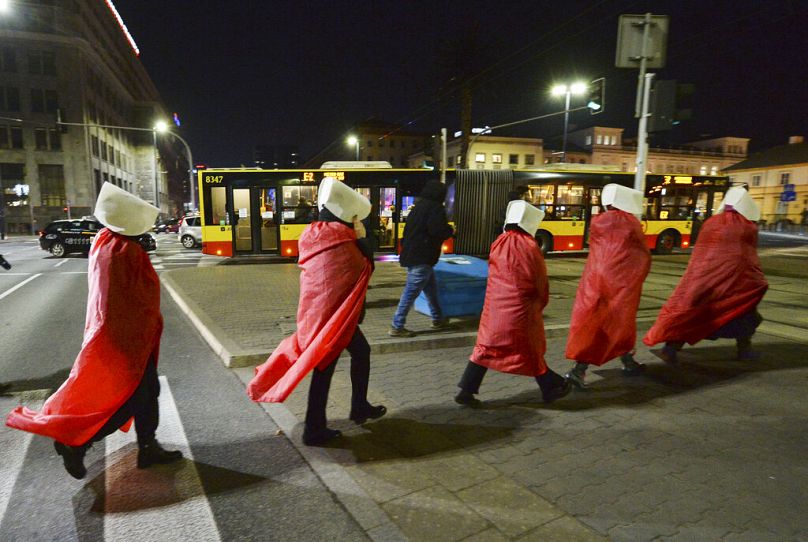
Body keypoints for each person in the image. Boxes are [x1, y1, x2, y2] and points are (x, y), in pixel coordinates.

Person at [5, 183, 182, 479]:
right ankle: (77, 443)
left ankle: (147, 447)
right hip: (126, 341)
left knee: (148, 391)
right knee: (130, 399)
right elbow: (133, 301)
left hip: (115, 335)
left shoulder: (104, 240)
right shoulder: (126, 250)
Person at [248, 177, 386, 446]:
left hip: (321, 314)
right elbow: (365, 268)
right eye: (356, 218)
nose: (359, 222)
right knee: (325, 366)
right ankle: (314, 428)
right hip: (332, 319)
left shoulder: (315, 234)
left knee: (357, 353)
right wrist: (362, 240)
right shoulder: (344, 242)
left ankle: (358, 406)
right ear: (347, 216)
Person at [455, 200, 571, 405]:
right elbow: (537, 280)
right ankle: (550, 387)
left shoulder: (499, 241)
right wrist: (541, 302)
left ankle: (466, 391)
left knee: (485, 347)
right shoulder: (529, 245)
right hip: (520, 309)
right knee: (528, 348)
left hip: (494, 307)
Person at [644, 186, 768, 363]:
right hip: (734, 284)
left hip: (703, 281)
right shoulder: (747, 227)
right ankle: (744, 350)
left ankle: (670, 349)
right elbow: (747, 258)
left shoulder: (711, 222)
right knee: (743, 312)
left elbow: (702, 254)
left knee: (692, 313)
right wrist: (757, 280)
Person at [564, 184, 651, 389]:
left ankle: (626, 362)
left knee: (596, 323)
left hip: (594, 281)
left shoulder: (598, 221)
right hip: (619, 283)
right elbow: (641, 254)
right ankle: (579, 370)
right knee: (619, 322)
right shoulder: (630, 223)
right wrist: (637, 275)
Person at [389, 180, 454, 337]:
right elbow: (437, 230)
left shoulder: (417, 207)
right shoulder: (435, 208)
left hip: (414, 254)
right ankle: (397, 326)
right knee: (410, 292)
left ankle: (438, 319)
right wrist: (450, 230)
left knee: (431, 290)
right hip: (423, 256)